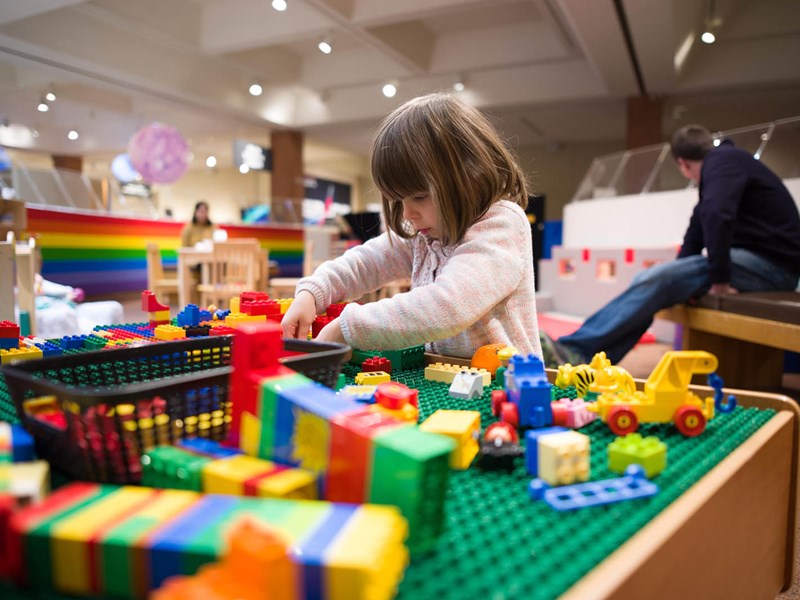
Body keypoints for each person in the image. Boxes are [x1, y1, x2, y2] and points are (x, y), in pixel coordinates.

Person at [281, 93, 542, 359]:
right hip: (449, 377)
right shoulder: (427, 235)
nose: (407, 213)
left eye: (419, 196)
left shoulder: (500, 226)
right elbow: (367, 262)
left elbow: (448, 306)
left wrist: (348, 327)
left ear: (469, 174)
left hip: (508, 388)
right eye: (400, 200)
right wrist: (315, 291)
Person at [545, 124, 800, 367]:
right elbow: (698, 228)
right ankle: (594, 358)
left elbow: (716, 216)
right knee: (654, 278)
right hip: (759, 264)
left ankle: (575, 351)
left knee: (658, 278)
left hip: (775, 268)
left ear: (682, 164)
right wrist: (680, 273)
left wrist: (719, 278)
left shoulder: (723, 162)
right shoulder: (724, 168)